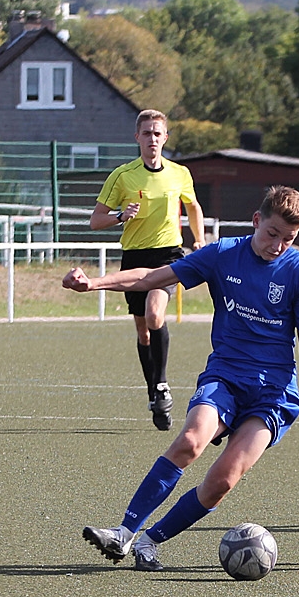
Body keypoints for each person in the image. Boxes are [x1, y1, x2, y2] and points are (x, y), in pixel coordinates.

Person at [66, 186, 299, 572]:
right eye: (272, 234)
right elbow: (152, 276)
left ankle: (151, 541)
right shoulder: (223, 254)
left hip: (273, 393)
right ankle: (124, 533)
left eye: (288, 239)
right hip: (225, 375)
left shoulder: (298, 270)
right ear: (257, 221)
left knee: (222, 479)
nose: (278, 245)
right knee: (190, 441)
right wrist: (94, 284)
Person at [91, 109, 205, 430]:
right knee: (143, 332)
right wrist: (120, 216)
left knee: (156, 316)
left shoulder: (180, 173)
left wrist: (200, 240)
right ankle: (153, 391)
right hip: (134, 257)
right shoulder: (122, 176)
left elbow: (193, 206)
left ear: (165, 138)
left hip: (168, 255)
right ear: (137, 137)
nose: (152, 138)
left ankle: (163, 383)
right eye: (147, 133)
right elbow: (96, 219)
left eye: (158, 133)